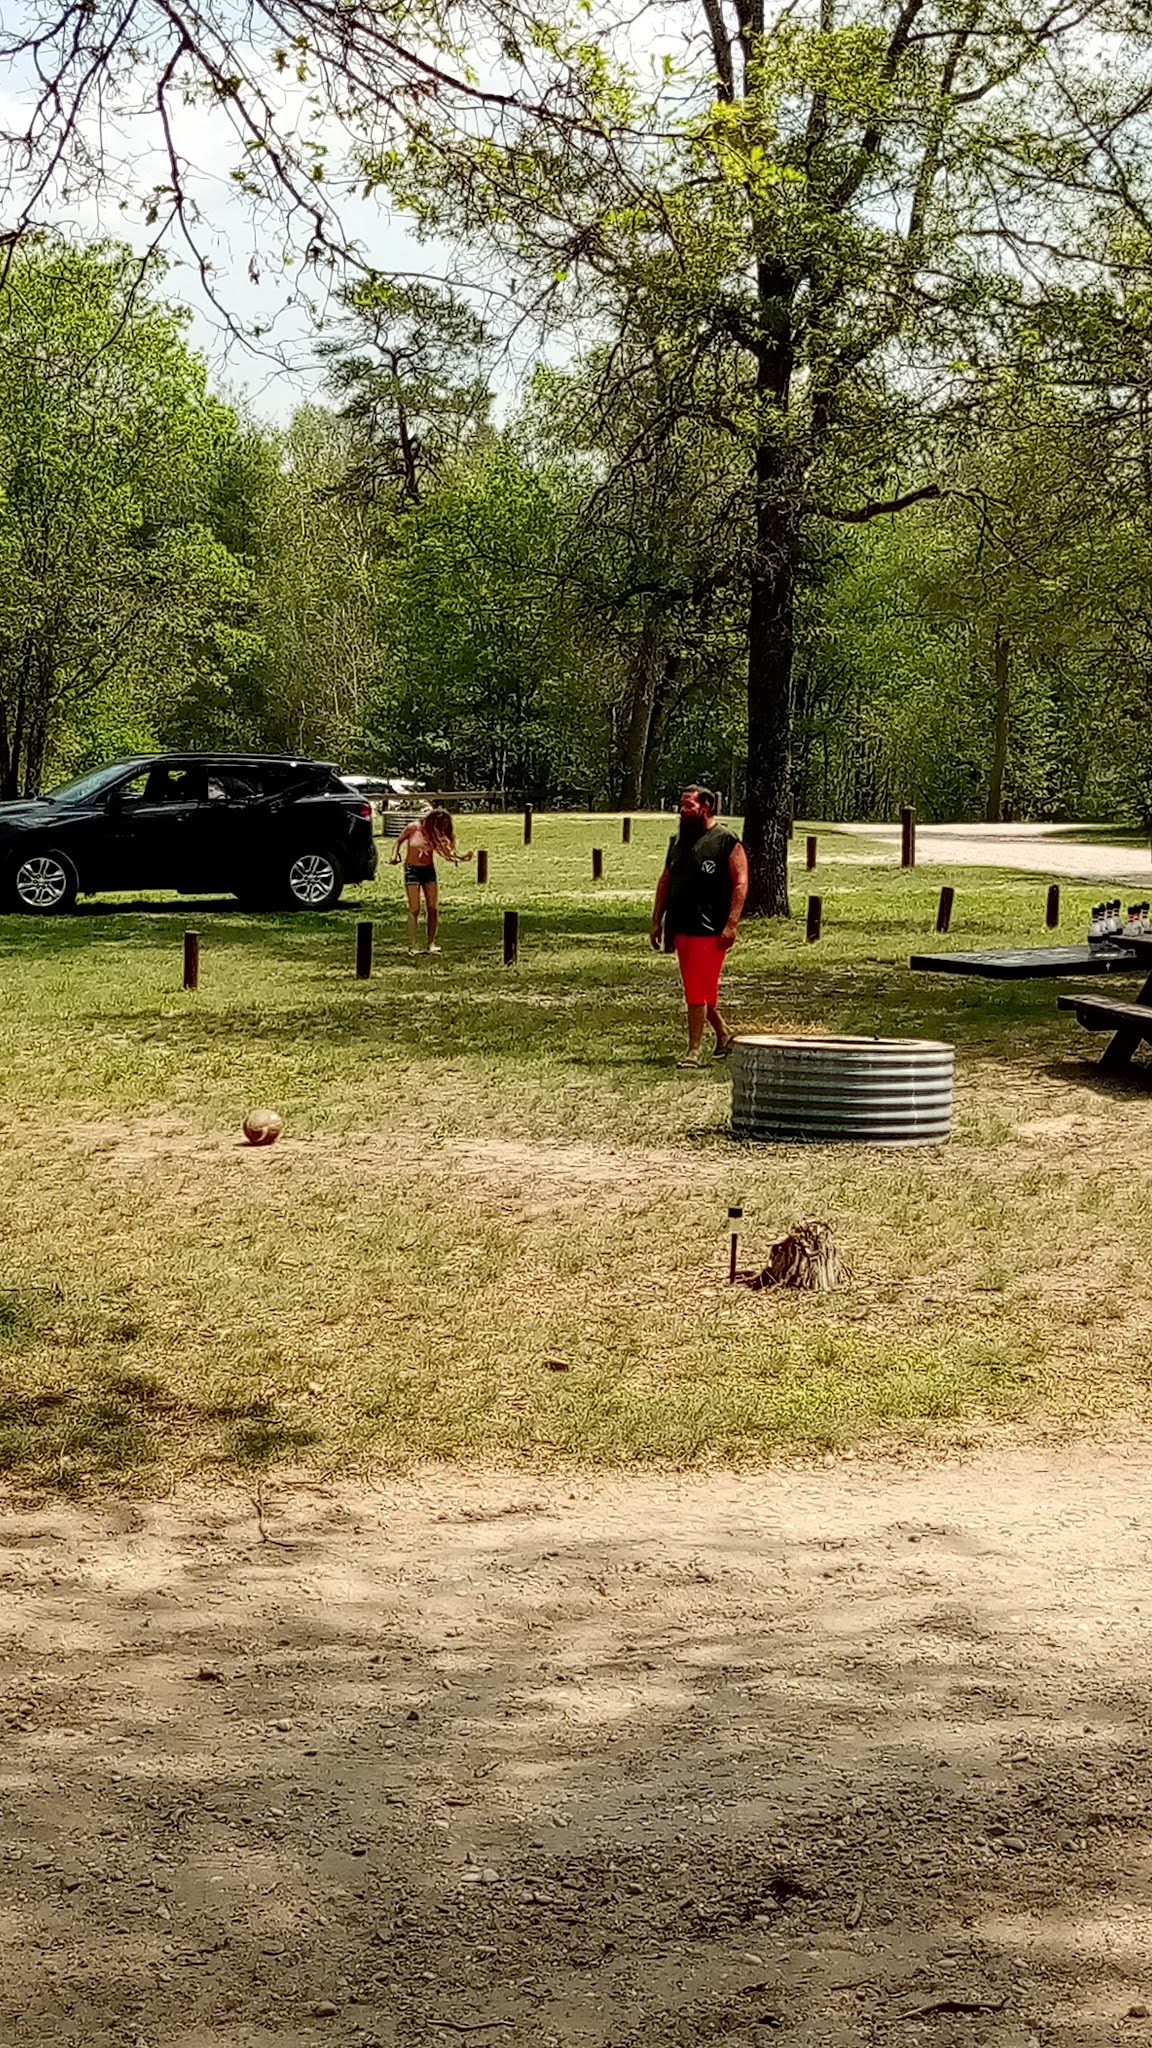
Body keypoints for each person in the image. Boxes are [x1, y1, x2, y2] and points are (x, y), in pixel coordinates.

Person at [650, 784, 748, 1067]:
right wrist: (657, 920)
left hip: (711, 930)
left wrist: (731, 924)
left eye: (688, 804)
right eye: (682, 804)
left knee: (696, 991)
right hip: (681, 927)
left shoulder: (726, 841)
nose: (682, 809)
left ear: (705, 807)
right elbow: (666, 879)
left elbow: (741, 883)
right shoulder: (678, 841)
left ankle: (693, 1051)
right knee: (700, 990)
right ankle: (725, 1034)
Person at [391, 806, 473, 954]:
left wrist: (461, 858)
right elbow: (399, 841)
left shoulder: (435, 834)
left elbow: (447, 852)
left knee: (433, 908)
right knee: (414, 908)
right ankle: (412, 945)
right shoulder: (413, 828)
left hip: (428, 871)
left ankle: (431, 943)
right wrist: (395, 855)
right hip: (412, 870)